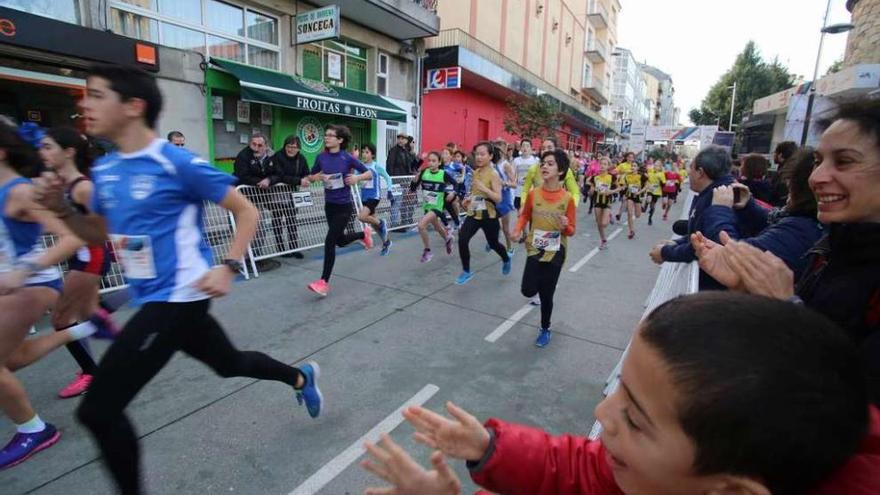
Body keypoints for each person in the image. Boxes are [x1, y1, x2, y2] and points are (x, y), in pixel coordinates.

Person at [33, 65, 324, 493]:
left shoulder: (177, 163)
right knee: (229, 364)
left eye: (96, 95)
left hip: (181, 297)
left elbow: (247, 211)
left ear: (133, 107)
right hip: (154, 295)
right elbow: (99, 233)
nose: (85, 104)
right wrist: (59, 209)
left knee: (98, 410)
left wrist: (227, 265)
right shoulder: (109, 170)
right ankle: (299, 377)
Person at [362, 292, 880, 495]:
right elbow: (585, 468)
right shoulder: (670, 476)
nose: (601, 414)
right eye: (618, 392)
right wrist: (489, 448)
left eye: (634, 419)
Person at [690, 99, 880, 404]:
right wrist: (746, 289)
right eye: (818, 161)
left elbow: (854, 404)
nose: (816, 178)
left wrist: (787, 306)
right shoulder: (834, 245)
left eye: (844, 162)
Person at [0, 121, 93, 469]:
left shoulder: (20, 192)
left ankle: (33, 430)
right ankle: (79, 329)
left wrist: (22, 272)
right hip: (12, 285)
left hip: (32, 285)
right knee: (10, 361)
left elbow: (72, 237)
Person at [39, 127, 118, 398]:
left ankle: (90, 372)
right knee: (79, 315)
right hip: (80, 255)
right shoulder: (59, 183)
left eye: (48, 147)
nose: (43, 152)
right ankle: (101, 320)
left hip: (90, 257)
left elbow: (105, 225)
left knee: (61, 319)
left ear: (69, 151)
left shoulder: (83, 187)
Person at [693, 148, 823, 281]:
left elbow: (733, 256)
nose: (817, 177)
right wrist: (749, 206)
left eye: (842, 162)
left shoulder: (800, 231)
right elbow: (772, 220)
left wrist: (720, 210)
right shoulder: (800, 221)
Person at [512, 149, 576, 347]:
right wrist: (517, 230)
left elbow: (572, 230)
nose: (544, 166)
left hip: (556, 251)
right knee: (527, 290)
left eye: (550, 163)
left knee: (547, 295)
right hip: (535, 248)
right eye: (543, 163)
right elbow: (525, 215)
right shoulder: (534, 194)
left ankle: (545, 328)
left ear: (561, 170)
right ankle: (543, 283)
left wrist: (566, 225)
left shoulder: (567, 199)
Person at [304, 124, 373, 296]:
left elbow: (370, 173)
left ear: (340, 140)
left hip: (344, 206)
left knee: (329, 241)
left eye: (330, 135)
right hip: (329, 205)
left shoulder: (347, 158)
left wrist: (357, 177)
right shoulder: (321, 158)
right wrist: (316, 177)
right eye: (326, 135)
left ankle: (323, 282)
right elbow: (311, 177)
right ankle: (362, 235)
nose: (326, 137)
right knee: (340, 241)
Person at [455, 142, 511, 285]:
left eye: (482, 154)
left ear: (490, 156)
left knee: (493, 244)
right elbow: (476, 193)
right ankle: (466, 271)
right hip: (474, 213)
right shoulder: (476, 172)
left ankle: (505, 258)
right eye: (477, 154)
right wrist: (468, 200)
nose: (478, 157)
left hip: (489, 216)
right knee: (462, 239)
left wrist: (484, 189)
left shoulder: (494, 175)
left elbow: (498, 198)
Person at [233, 134, 283, 256]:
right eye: (253, 144)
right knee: (241, 228)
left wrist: (269, 180)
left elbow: (279, 173)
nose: (256, 148)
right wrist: (260, 182)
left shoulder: (272, 156)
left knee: (260, 227)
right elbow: (242, 176)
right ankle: (241, 258)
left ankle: (256, 256)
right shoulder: (243, 156)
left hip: (258, 197)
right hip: (240, 196)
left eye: (260, 145)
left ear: (266, 146)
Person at [410, 151, 456, 262]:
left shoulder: (443, 174)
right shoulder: (424, 172)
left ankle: (428, 251)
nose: (431, 163)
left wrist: (453, 193)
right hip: (427, 206)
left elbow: (456, 184)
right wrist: (414, 181)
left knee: (421, 226)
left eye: (434, 161)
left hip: (437, 207)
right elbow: (413, 189)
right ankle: (448, 239)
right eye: (429, 160)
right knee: (437, 227)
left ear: (439, 162)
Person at [270, 135, 310, 259]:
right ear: (284, 146)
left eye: (294, 147)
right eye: (289, 146)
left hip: (293, 193)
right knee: (277, 221)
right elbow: (279, 176)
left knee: (292, 221)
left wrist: (307, 179)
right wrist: (299, 181)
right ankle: (281, 249)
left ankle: (294, 248)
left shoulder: (301, 159)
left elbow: (306, 173)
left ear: (299, 148)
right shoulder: (277, 156)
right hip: (277, 193)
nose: (291, 149)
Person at [521, 137, 581, 207]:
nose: (546, 151)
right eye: (543, 149)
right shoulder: (533, 169)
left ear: (556, 150)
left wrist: (571, 208)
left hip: (557, 212)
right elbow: (525, 191)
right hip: (536, 211)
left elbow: (575, 192)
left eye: (549, 148)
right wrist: (523, 205)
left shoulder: (564, 169)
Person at [356, 143, 393, 255]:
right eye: (363, 152)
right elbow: (356, 179)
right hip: (364, 197)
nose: (364, 154)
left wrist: (389, 190)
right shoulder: (360, 166)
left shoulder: (376, 166)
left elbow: (387, 177)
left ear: (372, 155)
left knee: (362, 217)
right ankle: (386, 242)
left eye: (367, 152)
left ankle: (382, 222)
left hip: (374, 196)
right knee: (374, 225)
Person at [588, 157, 619, 250]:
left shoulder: (612, 177)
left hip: (607, 202)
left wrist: (611, 191)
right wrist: (591, 191)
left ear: (608, 166)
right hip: (597, 201)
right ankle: (603, 240)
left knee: (604, 223)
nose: (602, 166)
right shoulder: (595, 178)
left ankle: (609, 215)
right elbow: (591, 191)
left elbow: (620, 188)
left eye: (605, 164)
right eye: (601, 164)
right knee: (599, 224)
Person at [492, 141, 517, 255]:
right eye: (495, 149)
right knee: (490, 224)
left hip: (504, 199)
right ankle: (492, 239)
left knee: (506, 229)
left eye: (499, 150)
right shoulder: (491, 164)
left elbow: (514, 184)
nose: (496, 152)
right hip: (494, 198)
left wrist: (503, 183)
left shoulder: (505, 165)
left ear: (503, 151)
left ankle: (510, 247)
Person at [620, 161, 646, 239]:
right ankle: (631, 231)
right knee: (630, 214)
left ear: (638, 168)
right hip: (630, 196)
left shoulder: (642, 176)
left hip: (637, 196)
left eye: (634, 166)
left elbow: (647, 186)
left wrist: (639, 192)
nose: (633, 167)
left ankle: (640, 206)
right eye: (632, 166)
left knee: (638, 215)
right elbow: (624, 185)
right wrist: (623, 191)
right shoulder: (627, 176)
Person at [769, 141, 798, 207]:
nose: (773, 155)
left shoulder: (782, 174)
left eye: (775, 152)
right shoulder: (797, 171)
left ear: (780, 155)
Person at [614, 152, 636, 223]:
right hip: (622, 184)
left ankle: (619, 214)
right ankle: (623, 212)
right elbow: (615, 171)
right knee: (624, 200)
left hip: (630, 185)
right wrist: (620, 173)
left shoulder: (634, 166)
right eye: (629, 157)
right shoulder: (622, 165)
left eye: (632, 157)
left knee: (625, 199)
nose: (630, 159)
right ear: (626, 157)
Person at [643, 159, 664, 226]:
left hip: (657, 192)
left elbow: (664, 183)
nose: (655, 166)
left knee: (652, 206)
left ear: (660, 167)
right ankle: (645, 206)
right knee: (648, 199)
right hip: (650, 190)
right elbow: (645, 174)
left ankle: (650, 218)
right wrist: (645, 175)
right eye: (655, 165)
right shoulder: (650, 171)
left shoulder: (661, 174)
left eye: (657, 166)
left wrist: (661, 181)